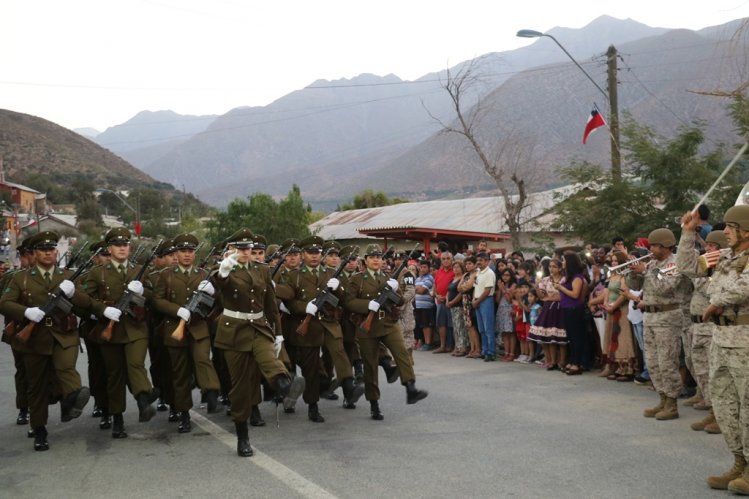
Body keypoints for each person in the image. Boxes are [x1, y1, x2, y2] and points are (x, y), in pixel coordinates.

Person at [211, 228, 304, 456]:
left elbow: (271, 304)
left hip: (258, 327)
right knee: (240, 388)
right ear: (232, 249)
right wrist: (223, 272)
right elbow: (219, 287)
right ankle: (243, 436)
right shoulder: (224, 270)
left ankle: (284, 383)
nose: (245, 252)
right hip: (233, 330)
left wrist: (279, 333)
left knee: (268, 359)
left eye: (248, 248)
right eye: (240, 248)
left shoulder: (262, 269)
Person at [0, 231, 93, 451]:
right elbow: (4, 303)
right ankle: (39, 429)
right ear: (34, 253)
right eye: (44, 250)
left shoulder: (68, 276)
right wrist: (27, 312)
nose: (49, 253)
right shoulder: (20, 278)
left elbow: (85, 304)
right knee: (37, 386)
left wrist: (74, 295)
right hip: (34, 338)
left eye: (52, 249)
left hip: (64, 335)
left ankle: (71, 397)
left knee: (66, 368)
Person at [681, 207, 749, 491]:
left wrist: (715, 297)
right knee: (724, 403)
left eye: (731, 227)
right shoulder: (726, 257)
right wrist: (687, 234)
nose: (726, 232)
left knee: (747, 405)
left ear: (746, 231)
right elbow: (687, 268)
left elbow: (740, 289)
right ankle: (739, 462)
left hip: (744, 339)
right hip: (721, 338)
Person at [83, 227, 159, 440]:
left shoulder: (139, 271)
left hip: (136, 327)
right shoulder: (98, 273)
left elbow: (154, 296)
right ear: (109, 248)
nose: (122, 248)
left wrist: (143, 290)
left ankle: (144, 400)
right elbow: (83, 299)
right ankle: (117, 418)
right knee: (115, 375)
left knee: (135, 363)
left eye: (125, 244)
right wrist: (102, 309)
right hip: (110, 329)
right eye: (117, 245)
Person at [276, 236, 364, 421]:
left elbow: (343, 300)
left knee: (339, 353)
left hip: (329, 323)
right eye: (310, 253)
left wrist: (338, 287)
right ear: (303, 255)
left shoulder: (331, 273)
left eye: (317, 253)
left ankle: (348, 385)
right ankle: (313, 405)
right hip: (307, 325)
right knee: (311, 368)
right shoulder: (293, 275)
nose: (314, 256)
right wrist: (304, 307)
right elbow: (290, 302)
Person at [342, 244, 428, 420]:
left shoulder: (390, 277)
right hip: (367, 326)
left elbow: (400, 301)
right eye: (372, 257)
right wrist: (367, 305)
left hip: (389, 322)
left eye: (379, 257)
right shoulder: (357, 279)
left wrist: (395, 290)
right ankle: (374, 404)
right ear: (366, 261)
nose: (376, 260)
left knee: (401, 353)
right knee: (370, 366)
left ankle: (410, 388)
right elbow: (348, 302)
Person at [151, 233, 222, 434]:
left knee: (202, 359)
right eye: (183, 251)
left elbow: (218, 301)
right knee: (180, 374)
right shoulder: (166, 275)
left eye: (191, 251)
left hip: (199, 328)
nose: (187, 255)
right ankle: (184, 413)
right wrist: (177, 310)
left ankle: (210, 391)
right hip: (175, 329)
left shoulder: (203, 274)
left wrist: (212, 292)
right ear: (177, 253)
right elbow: (156, 301)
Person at [638, 228, 693, 421]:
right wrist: (634, 273)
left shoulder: (675, 263)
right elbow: (636, 286)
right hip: (651, 317)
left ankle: (672, 403)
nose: (651, 249)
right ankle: (662, 398)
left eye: (655, 245)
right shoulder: (653, 263)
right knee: (652, 362)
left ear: (666, 246)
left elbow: (665, 286)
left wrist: (647, 271)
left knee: (667, 362)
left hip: (668, 317)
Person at [677, 229, 727, 434]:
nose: (707, 250)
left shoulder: (722, 269)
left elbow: (710, 291)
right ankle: (712, 407)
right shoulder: (706, 268)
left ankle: (720, 414)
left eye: (712, 246)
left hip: (711, 326)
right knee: (700, 369)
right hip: (697, 324)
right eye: (707, 246)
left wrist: (700, 277)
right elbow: (687, 268)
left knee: (715, 374)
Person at [601, 251, 636, 382]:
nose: (614, 263)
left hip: (622, 309)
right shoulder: (612, 275)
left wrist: (613, 306)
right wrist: (605, 304)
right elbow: (607, 291)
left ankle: (627, 369)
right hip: (611, 309)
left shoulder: (625, 275)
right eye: (613, 260)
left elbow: (623, 293)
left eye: (616, 260)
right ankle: (616, 366)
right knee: (612, 338)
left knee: (623, 338)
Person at [554, 251, 588, 375]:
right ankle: (572, 360)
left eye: (564, 260)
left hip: (574, 309)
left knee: (576, 337)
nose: (563, 263)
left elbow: (575, 294)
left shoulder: (577, 278)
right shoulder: (569, 277)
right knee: (571, 337)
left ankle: (577, 363)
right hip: (567, 308)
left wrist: (561, 288)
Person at [529, 259, 566, 370]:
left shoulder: (564, 279)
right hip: (548, 309)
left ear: (560, 268)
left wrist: (549, 298)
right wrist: (536, 286)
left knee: (560, 338)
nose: (551, 268)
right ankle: (551, 360)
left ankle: (562, 361)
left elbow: (562, 296)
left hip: (560, 309)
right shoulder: (545, 280)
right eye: (550, 266)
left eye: (554, 266)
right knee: (547, 337)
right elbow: (541, 296)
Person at [472, 252, 496, 361]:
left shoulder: (489, 273)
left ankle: (491, 352)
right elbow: (475, 287)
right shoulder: (478, 272)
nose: (478, 262)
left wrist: (478, 301)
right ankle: (484, 350)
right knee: (481, 329)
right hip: (477, 300)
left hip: (486, 301)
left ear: (487, 261)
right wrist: (474, 299)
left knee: (488, 328)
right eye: (478, 260)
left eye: (481, 260)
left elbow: (487, 290)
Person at [458, 256, 481, 358]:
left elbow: (468, 286)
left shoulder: (476, 273)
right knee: (468, 326)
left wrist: (464, 286)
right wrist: (464, 286)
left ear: (475, 264)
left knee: (473, 326)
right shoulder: (466, 274)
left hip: (471, 301)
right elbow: (459, 288)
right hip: (465, 302)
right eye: (466, 264)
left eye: (470, 264)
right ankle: (472, 349)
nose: (467, 266)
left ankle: (477, 349)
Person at [432, 251, 455, 353]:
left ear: (452, 259)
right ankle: (442, 346)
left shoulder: (455, 271)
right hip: (440, 301)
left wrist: (446, 298)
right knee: (441, 324)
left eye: (448, 258)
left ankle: (450, 345)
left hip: (450, 301)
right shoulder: (439, 271)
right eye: (443, 259)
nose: (445, 261)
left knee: (450, 325)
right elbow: (435, 286)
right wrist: (437, 295)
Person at [414, 259, 435, 350]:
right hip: (418, 305)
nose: (422, 269)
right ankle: (422, 342)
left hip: (427, 306)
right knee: (420, 325)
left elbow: (422, 291)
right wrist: (418, 288)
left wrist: (417, 288)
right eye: (421, 267)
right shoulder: (418, 279)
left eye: (425, 267)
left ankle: (428, 343)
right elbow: (413, 290)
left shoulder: (430, 278)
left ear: (429, 268)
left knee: (427, 325)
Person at [447, 260, 467, 356]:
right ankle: (458, 346)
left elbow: (461, 292)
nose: (455, 269)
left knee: (460, 326)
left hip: (459, 305)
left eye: (458, 267)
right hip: (451, 306)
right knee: (455, 327)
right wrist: (447, 301)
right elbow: (448, 291)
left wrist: (453, 301)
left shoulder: (463, 278)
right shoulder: (453, 279)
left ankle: (463, 348)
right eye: (454, 267)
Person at [495, 269, 516, 361]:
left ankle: (512, 353)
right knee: (504, 332)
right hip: (501, 309)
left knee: (511, 332)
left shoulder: (513, 285)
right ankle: (506, 353)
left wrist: (503, 289)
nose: (505, 277)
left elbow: (509, 299)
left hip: (509, 309)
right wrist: (500, 289)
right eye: (503, 275)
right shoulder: (502, 285)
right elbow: (498, 300)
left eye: (507, 275)